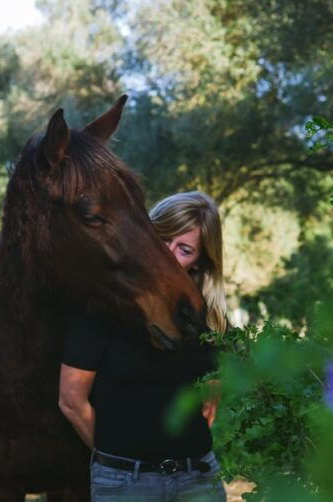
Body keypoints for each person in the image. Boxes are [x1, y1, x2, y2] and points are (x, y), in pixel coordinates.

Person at [59, 191, 227, 501]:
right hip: (126, 483)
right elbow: (71, 400)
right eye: (162, 239)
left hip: (198, 480)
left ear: (198, 262)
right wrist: (116, 459)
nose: (167, 254)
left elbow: (209, 401)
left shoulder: (205, 316)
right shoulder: (102, 305)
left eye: (184, 249)